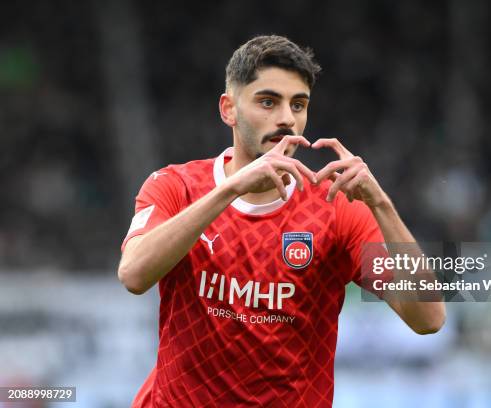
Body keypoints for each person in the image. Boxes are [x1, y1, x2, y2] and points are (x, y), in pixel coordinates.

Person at [118, 35, 445, 407]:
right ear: (229, 109)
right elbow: (134, 275)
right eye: (268, 102)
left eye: (299, 105)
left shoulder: (335, 208)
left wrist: (381, 204)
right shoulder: (175, 186)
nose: (287, 118)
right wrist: (230, 191)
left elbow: (428, 317)